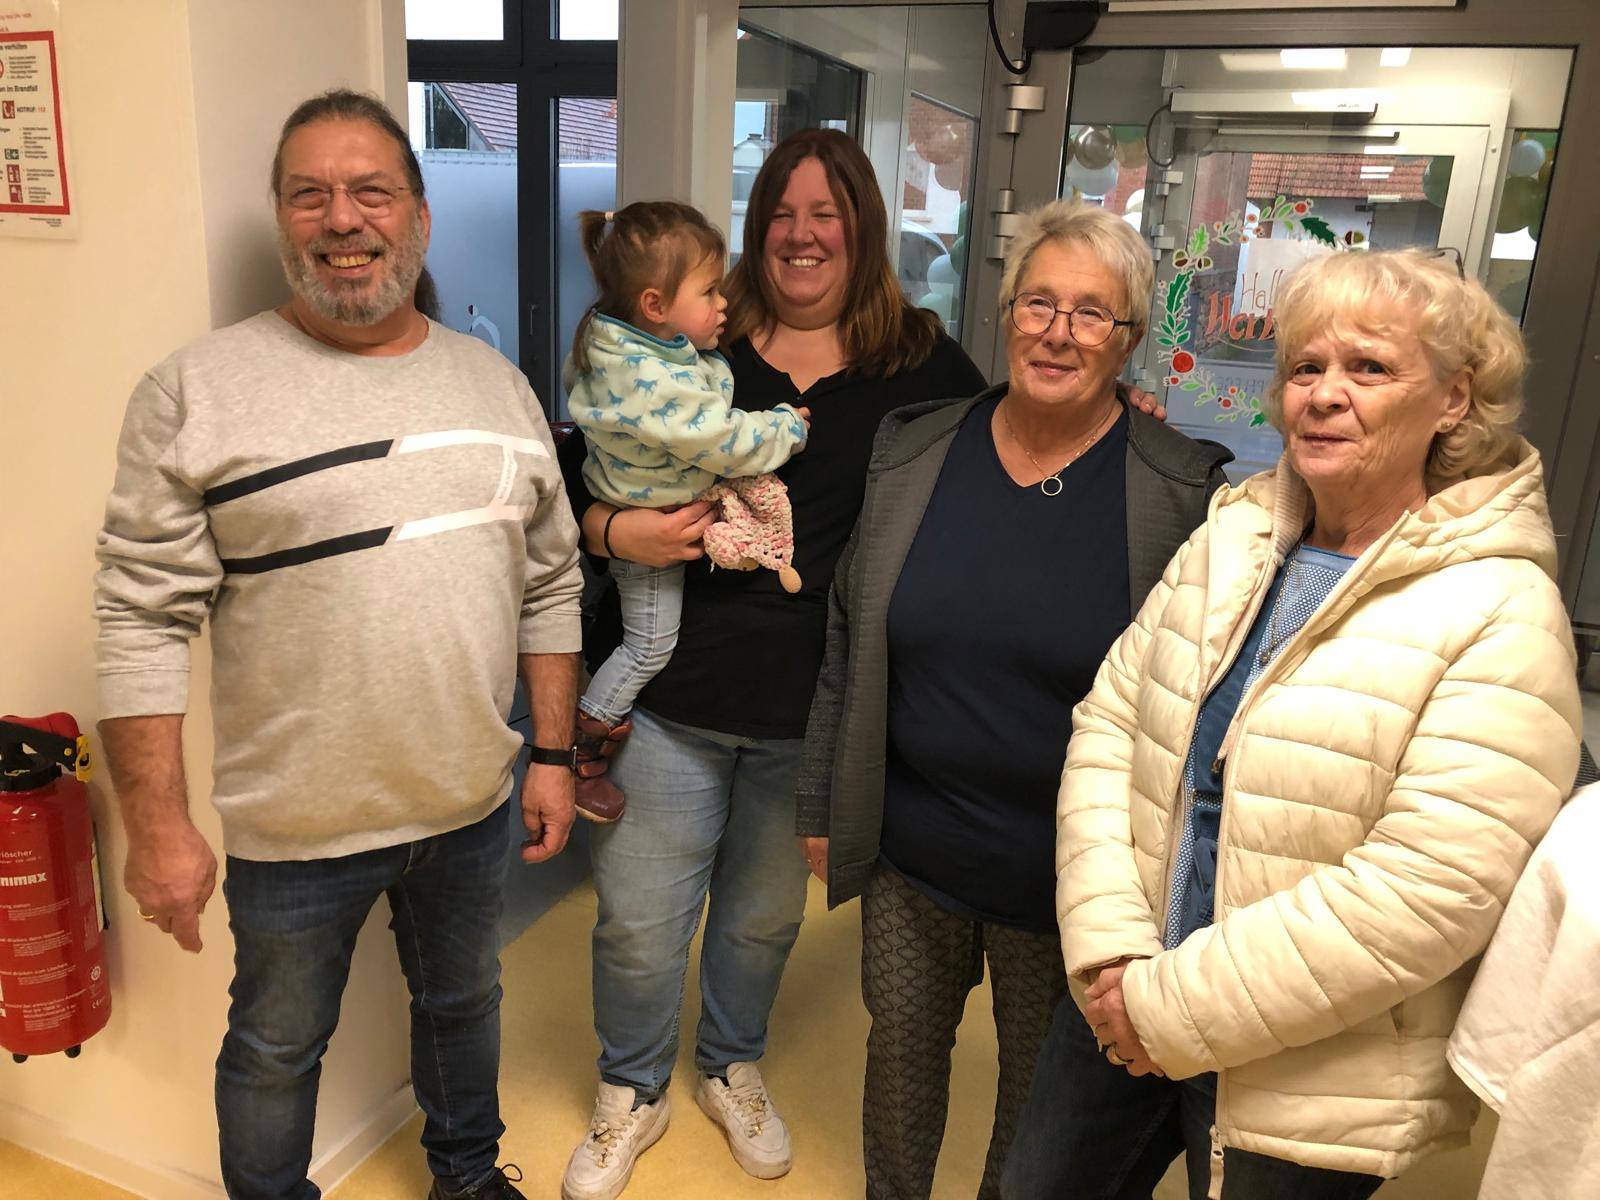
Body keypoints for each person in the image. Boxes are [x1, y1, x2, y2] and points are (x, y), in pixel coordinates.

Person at [1004, 248, 1583, 1200]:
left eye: (1370, 367)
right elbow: (1112, 725)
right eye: (1306, 366)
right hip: (1122, 992)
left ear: (1453, 399)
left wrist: (1172, 1009)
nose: (1324, 394)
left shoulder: (1502, 610)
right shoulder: (1233, 535)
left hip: (1307, 1072)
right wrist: (1112, 953)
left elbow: (1428, 890)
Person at [93, 89, 583, 1200]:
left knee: (465, 1003)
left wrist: (552, 755)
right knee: (276, 1049)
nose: (342, 218)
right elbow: (139, 617)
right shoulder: (195, 391)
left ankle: (467, 1179)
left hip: (468, 801)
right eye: (309, 194)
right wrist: (158, 826)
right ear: (281, 217)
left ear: (419, 215)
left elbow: (550, 582)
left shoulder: (496, 386)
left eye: (371, 191)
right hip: (295, 827)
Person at [556, 129, 989, 1200]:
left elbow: (1012, 453)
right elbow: (567, 482)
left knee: (759, 921)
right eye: (782, 213)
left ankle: (728, 1065)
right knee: (639, 926)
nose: (802, 234)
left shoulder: (923, 365)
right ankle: (631, 1087)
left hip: (813, 716)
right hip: (670, 698)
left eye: (825, 213)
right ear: (757, 231)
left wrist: (1121, 414)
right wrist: (615, 531)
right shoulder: (689, 339)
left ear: (862, 228)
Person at [793, 200, 1230, 1200]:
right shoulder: (916, 452)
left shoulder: (1176, 491)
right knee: (899, 1064)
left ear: (1127, 340)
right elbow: (849, 636)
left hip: (1072, 877)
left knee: (1040, 1103)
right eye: (1039, 303)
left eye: (1091, 313)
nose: (1058, 332)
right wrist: (821, 800)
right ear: (1004, 312)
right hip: (913, 852)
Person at [564, 200, 810, 824]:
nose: (722, 303)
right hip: (650, 532)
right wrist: (786, 426)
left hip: (651, 513)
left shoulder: (631, 350)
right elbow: (723, 440)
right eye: (709, 292)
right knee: (649, 645)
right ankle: (586, 740)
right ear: (655, 305)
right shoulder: (651, 381)